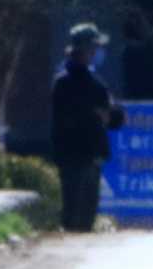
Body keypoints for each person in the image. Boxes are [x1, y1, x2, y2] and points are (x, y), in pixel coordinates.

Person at [48, 22, 124, 233]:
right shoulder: (64, 83)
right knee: (73, 214)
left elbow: (116, 117)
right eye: (93, 47)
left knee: (87, 215)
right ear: (82, 49)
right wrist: (95, 115)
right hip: (73, 158)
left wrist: (107, 115)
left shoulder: (96, 83)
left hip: (92, 159)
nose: (96, 52)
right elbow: (70, 120)